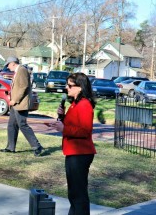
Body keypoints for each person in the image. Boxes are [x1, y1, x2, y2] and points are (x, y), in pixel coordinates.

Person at [50, 72, 96, 215]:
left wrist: (64, 129)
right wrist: (62, 117)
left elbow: (85, 131)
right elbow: (74, 124)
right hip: (72, 152)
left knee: (78, 194)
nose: (66, 88)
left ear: (80, 87)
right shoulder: (75, 104)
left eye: (70, 85)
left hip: (80, 154)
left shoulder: (84, 105)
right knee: (73, 193)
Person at [0, 56, 43, 156]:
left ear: (13, 63)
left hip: (20, 104)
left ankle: (37, 146)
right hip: (15, 104)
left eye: (8, 65)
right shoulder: (18, 71)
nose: (8, 67)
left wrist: (15, 100)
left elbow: (24, 86)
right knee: (11, 125)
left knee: (22, 125)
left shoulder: (22, 70)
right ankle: (10, 147)